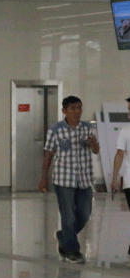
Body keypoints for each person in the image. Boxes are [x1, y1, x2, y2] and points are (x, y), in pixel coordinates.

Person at [39, 95, 99, 264]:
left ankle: (63, 236)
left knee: (84, 215)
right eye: (73, 108)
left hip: (85, 179)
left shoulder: (88, 128)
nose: (77, 111)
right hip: (63, 180)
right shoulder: (55, 129)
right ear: (64, 110)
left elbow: (96, 150)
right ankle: (72, 251)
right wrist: (43, 177)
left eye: (79, 108)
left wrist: (94, 144)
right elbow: (48, 153)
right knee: (69, 217)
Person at [112, 96, 130, 254]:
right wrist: (114, 177)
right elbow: (119, 154)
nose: (129, 113)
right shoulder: (125, 131)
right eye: (129, 110)